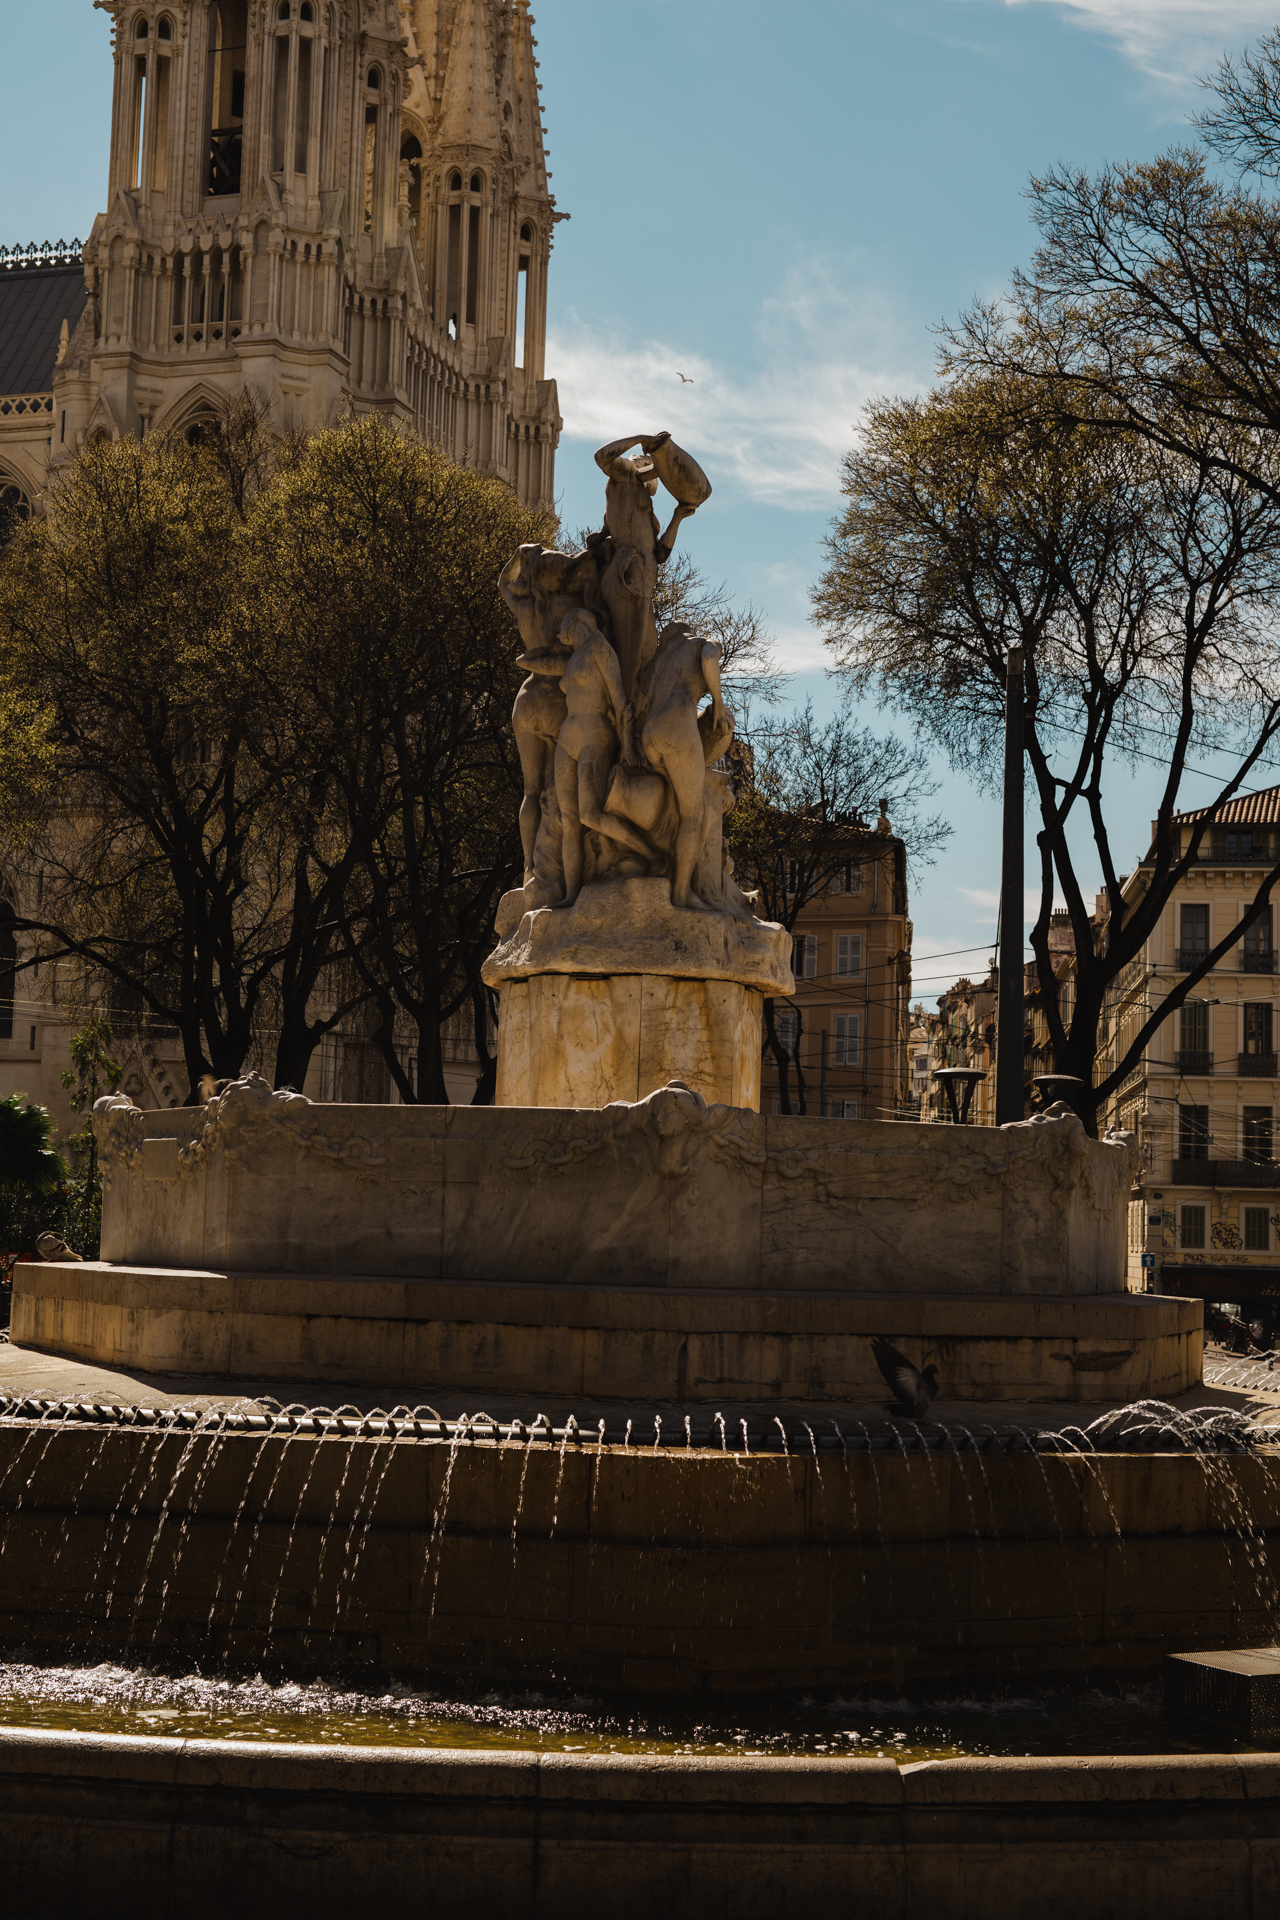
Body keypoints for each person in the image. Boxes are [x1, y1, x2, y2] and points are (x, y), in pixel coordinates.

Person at [522, 609, 661, 907]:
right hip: (568, 739)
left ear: (577, 621)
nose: (560, 635)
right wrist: (553, 648)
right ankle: (571, 895)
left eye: (564, 628)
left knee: (589, 815)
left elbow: (621, 702)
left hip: (594, 736)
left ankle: (652, 855)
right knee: (569, 820)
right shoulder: (574, 657)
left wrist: (627, 745)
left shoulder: (600, 649)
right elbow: (525, 661)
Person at [593, 432, 698, 699]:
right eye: (642, 461)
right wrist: (641, 438)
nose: (647, 464)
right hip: (628, 575)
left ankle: (635, 713)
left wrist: (677, 517)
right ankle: (624, 713)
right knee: (631, 658)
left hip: (643, 584)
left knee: (646, 657)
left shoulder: (646, 507)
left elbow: (660, 553)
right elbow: (601, 456)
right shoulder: (622, 477)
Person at [637, 620, 732, 912]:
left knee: (681, 805)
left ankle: (662, 862)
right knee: (695, 813)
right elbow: (709, 659)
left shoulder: (659, 663)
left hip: (650, 735)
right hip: (678, 723)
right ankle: (680, 893)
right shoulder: (703, 642)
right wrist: (718, 703)